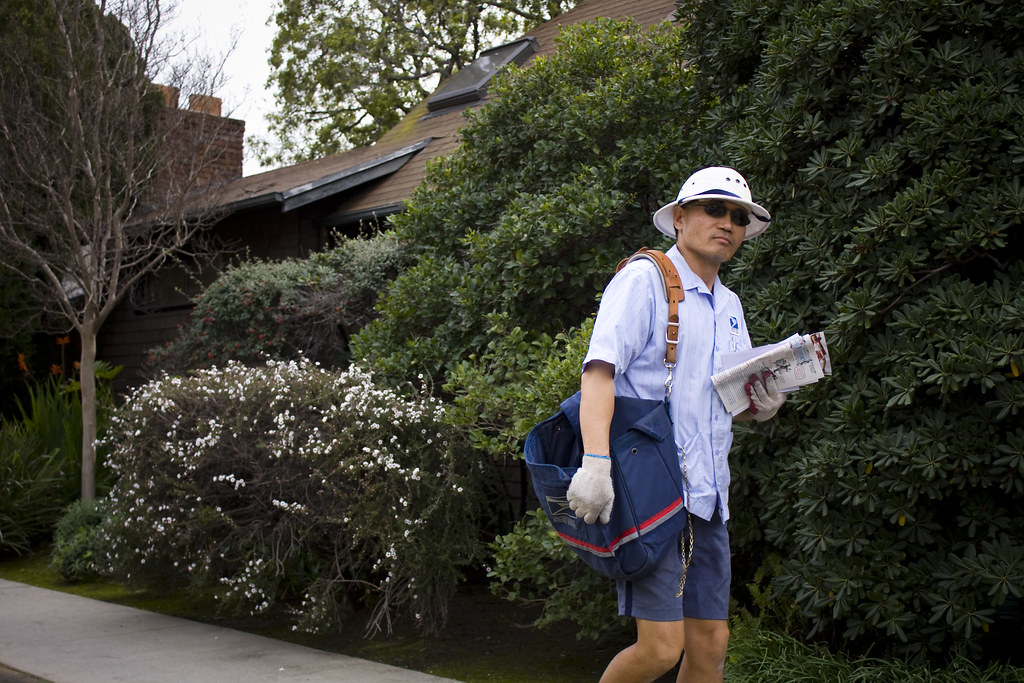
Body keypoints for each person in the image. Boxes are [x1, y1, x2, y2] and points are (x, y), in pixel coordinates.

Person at [566, 167, 786, 682]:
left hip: (709, 497)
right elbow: (599, 372)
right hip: (654, 494)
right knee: (661, 648)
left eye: (737, 216)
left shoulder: (730, 305)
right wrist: (595, 462)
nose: (727, 223)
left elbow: (727, 401)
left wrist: (763, 402)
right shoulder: (643, 279)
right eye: (714, 210)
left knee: (710, 645)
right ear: (680, 218)